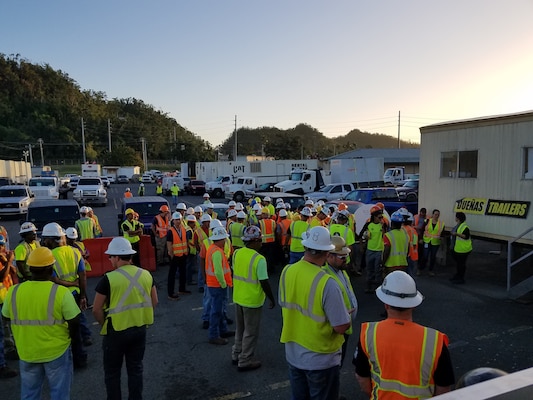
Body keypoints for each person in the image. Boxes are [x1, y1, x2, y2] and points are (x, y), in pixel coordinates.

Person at [353, 270, 455, 398]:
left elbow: (362, 378)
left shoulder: (368, 333)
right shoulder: (435, 341)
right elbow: (443, 390)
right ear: (413, 304)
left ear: (385, 304)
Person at [279, 226, 351, 400]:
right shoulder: (327, 283)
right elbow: (341, 326)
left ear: (305, 247)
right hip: (321, 359)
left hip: (293, 354)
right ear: (327, 253)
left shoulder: (287, 271)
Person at [2, 247, 81, 399]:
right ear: (51, 268)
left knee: (30, 394)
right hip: (56, 351)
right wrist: (71, 340)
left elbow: (5, 317)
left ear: (30, 268)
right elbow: (75, 321)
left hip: (27, 351)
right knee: (59, 393)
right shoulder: (61, 292)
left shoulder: (14, 291)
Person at [93, 237, 158, 400]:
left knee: (112, 373)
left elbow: (96, 309)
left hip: (115, 332)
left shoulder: (108, 279)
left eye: (110, 256)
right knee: (135, 369)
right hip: (139, 329)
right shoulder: (146, 274)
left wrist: (104, 324)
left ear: (116, 257)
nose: (109, 260)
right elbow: (154, 301)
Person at [41, 222, 89, 368]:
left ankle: (63, 361)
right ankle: (80, 359)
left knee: (60, 330)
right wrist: (82, 295)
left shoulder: (49, 256)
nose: (43, 242)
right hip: (75, 296)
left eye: (45, 239)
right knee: (76, 330)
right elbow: (83, 275)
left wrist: (71, 284)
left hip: (58, 297)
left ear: (51, 239)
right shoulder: (75, 252)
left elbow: (54, 280)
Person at [231, 226, 275, 371]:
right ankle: (245, 360)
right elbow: (264, 282)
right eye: (260, 240)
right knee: (250, 332)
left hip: (238, 297)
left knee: (240, 329)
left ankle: (236, 353)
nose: (261, 243)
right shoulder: (259, 259)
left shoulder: (237, 253)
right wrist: (271, 299)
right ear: (254, 241)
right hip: (252, 301)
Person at [323, 236, 358, 366]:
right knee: (334, 363)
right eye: (342, 257)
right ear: (329, 256)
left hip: (345, 326)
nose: (346, 260)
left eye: (346, 256)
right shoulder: (326, 275)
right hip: (337, 329)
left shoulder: (340, 271)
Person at [205, 227, 234, 345]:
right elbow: (218, 271)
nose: (226, 241)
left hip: (214, 284)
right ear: (220, 239)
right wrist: (223, 284)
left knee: (220, 310)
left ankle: (223, 330)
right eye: (224, 239)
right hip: (217, 285)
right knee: (217, 311)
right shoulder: (217, 252)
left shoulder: (212, 249)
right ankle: (214, 335)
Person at [0, 235, 18, 379]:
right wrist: (9, 261)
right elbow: (1, 276)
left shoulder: (3, 258)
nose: (3, 248)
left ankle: (10, 349)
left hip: (6, 298)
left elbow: (13, 272)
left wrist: (7, 261)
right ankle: (2, 365)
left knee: (8, 327)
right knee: (1, 332)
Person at [361, 206, 386, 293]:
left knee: (378, 270)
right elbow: (362, 235)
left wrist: (383, 227)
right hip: (370, 250)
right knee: (369, 269)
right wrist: (362, 244)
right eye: (379, 217)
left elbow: (385, 236)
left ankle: (378, 288)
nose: (381, 219)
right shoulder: (369, 225)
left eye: (382, 217)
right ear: (374, 217)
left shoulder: (383, 225)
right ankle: (368, 286)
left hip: (379, 250)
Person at [166, 212, 189, 300]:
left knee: (183, 273)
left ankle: (182, 289)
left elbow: (185, 241)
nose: (178, 221)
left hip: (183, 255)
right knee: (172, 275)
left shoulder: (183, 229)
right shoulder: (170, 231)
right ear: (173, 221)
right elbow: (169, 244)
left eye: (179, 220)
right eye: (176, 220)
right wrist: (171, 255)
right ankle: (170, 293)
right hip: (174, 256)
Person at [382, 210, 409, 275]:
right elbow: (408, 250)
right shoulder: (406, 235)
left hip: (391, 265)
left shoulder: (388, 235)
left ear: (392, 223)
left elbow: (386, 251)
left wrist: (382, 263)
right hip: (403, 264)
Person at [419, 209, 445, 276]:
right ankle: (420, 269)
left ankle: (430, 270)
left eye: (438, 215)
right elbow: (422, 230)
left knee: (433, 257)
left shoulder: (441, 223)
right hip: (427, 241)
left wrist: (442, 239)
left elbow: (442, 233)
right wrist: (421, 238)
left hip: (435, 242)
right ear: (432, 215)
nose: (437, 216)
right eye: (435, 214)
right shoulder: (427, 221)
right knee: (425, 256)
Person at [449, 212, 472, 284]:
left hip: (463, 249)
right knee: (459, 264)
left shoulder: (464, 227)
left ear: (458, 218)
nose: (455, 218)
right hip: (458, 248)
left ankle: (461, 278)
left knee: (461, 264)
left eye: (456, 217)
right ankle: (458, 276)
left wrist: (456, 234)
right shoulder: (459, 225)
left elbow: (466, 236)